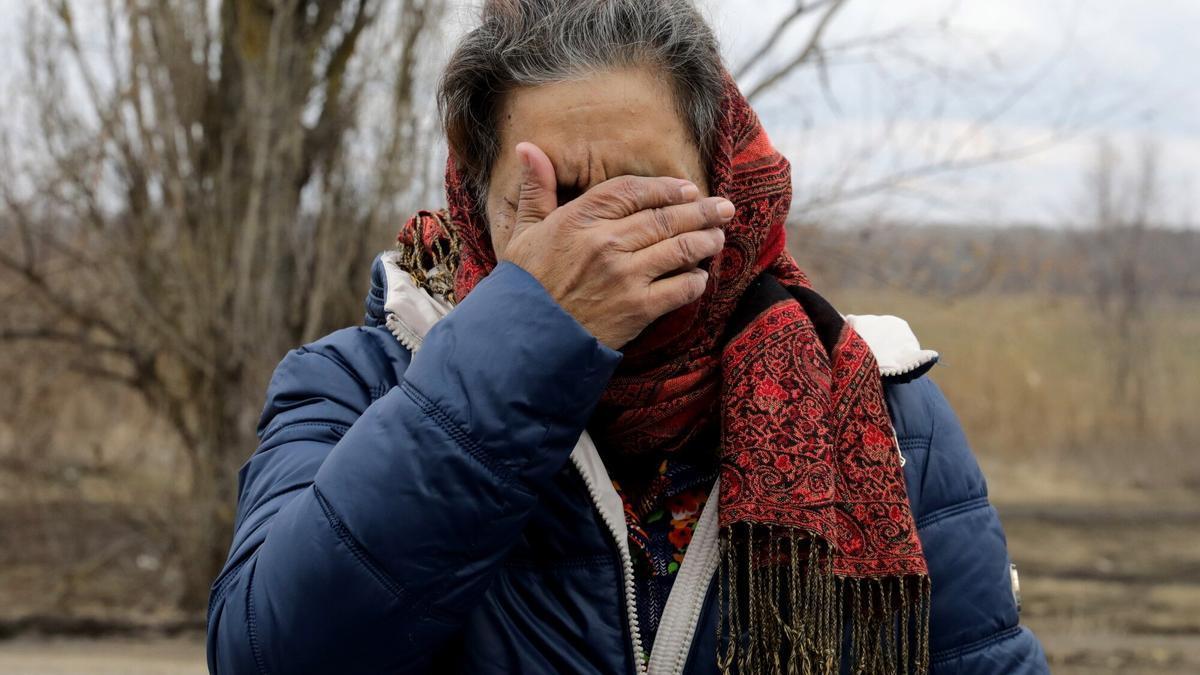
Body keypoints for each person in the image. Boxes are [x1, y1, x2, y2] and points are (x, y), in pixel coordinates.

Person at [206, 1, 1049, 673]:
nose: (605, 240)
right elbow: (271, 650)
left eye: (648, 189)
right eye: (559, 197)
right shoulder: (354, 386)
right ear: (475, 197)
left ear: (720, 180)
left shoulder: (877, 405)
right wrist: (528, 330)